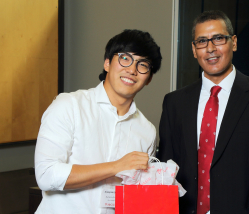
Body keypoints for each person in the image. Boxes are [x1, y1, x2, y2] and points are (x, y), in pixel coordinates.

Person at [157, 10, 249, 214]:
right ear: (194, 50)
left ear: (234, 43)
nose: (210, 48)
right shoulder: (174, 103)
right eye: (202, 41)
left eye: (218, 38)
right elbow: (165, 175)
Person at [34, 29, 162, 214]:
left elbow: (136, 196)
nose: (132, 70)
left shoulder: (147, 131)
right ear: (108, 63)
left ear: (148, 78)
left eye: (143, 65)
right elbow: (46, 175)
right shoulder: (69, 105)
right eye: (125, 58)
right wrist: (117, 166)